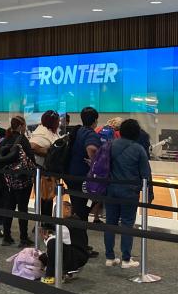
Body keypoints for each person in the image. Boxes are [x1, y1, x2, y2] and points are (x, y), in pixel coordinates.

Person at [104, 118, 153, 268]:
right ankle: (126, 259)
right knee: (126, 224)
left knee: (110, 223)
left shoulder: (110, 145)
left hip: (110, 190)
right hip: (129, 192)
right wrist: (149, 193)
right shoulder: (138, 149)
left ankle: (110, 257)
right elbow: (146, 173)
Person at [67, 106, 102, 252]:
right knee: (83, 212)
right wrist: (94, 162)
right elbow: (92, 149)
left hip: (71, 175)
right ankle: (81, 246)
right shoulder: (90, 134)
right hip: (83, 178)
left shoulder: (77, 131)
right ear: (95, 121)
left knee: (78, 210)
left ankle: (76, 243)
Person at [0, 115, 35, 247]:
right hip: (23, 178)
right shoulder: (22, 140)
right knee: (23, 208)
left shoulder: (6, 139)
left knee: (9, 207)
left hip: (8, 179)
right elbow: (30, 158)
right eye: (24, 125)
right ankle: (23, 238)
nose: (25, 128)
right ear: (20, 126)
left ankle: (6, 237)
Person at [30, 110, 61, 221]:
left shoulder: (51, 131)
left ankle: (45, 222)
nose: (59, 122)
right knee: (44, 199)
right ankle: (43, 223)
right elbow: (33, 147)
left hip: (48, 171)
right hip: (42, 171)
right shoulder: (42, 133)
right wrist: (50, 152)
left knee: (48, 198)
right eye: (57, 120)